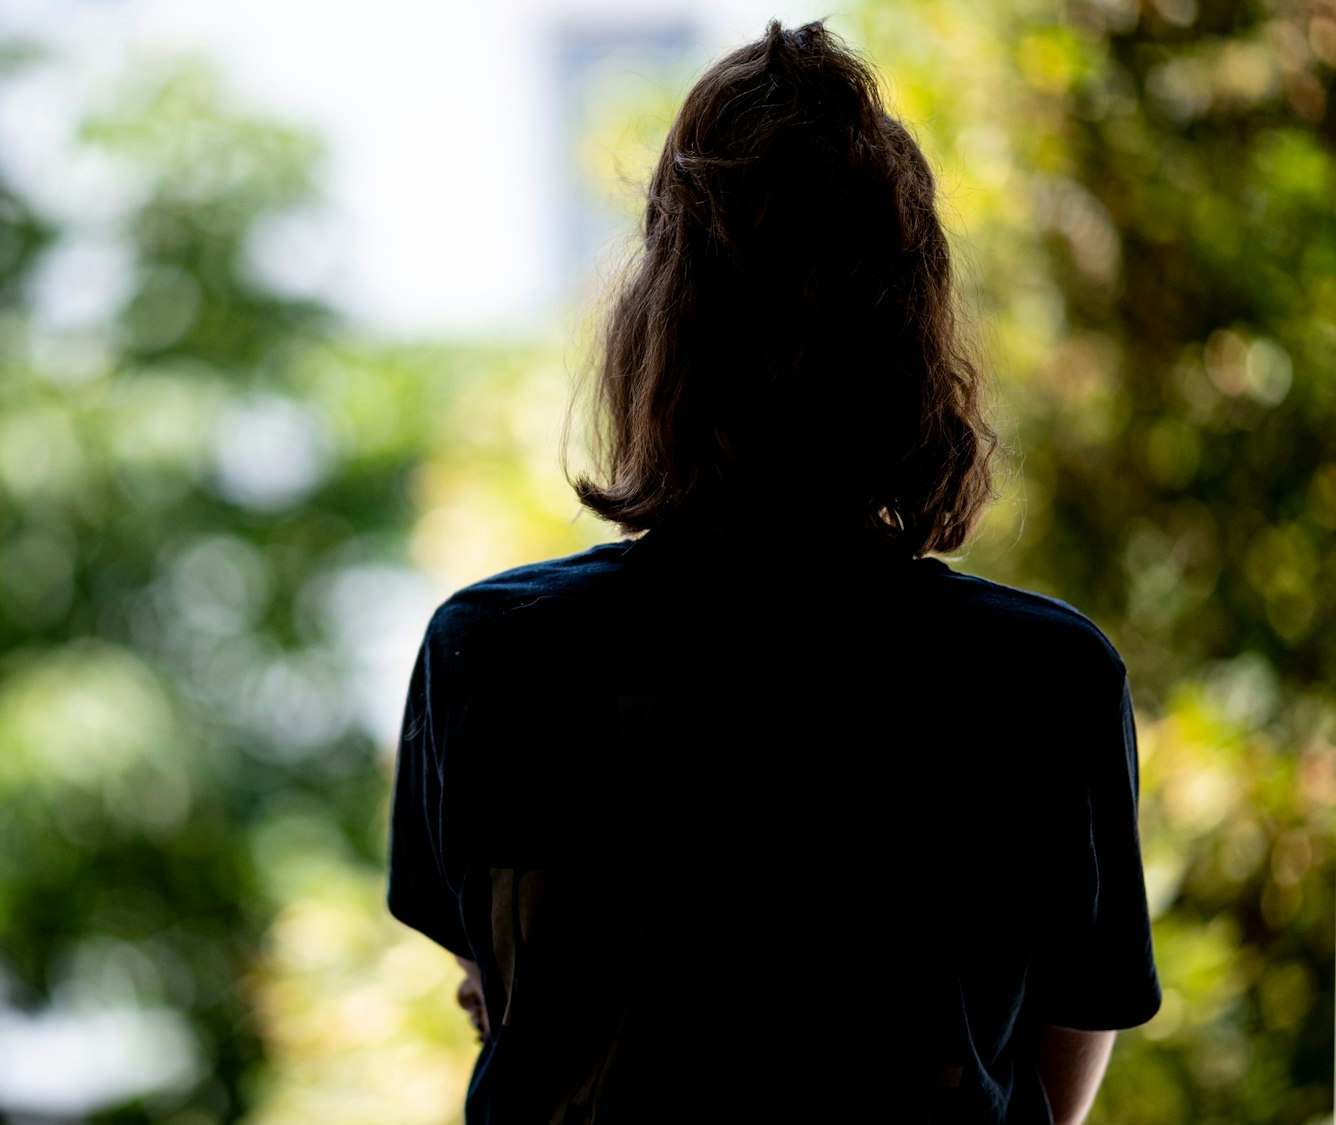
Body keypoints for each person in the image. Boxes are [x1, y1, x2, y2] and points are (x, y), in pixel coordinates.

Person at [386, 21, 1161, 1124]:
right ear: (914, 334)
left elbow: (512, 997)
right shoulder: (1045, 679)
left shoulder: (493, 654)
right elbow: (1047, 1072)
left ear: (653, 331)